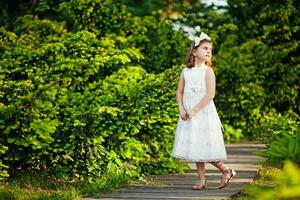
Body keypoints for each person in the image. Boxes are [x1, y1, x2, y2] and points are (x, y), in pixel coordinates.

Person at [172, 32, 236, 190]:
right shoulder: (185, 72)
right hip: (188, 113)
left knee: (206, 147)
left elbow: (210, 94)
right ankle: (202, 180)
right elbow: (179, 92)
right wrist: (182, 108)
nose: (209, 51)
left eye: (210, 49)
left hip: (203, 113)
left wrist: (194, 110)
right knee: (196, 146)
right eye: (205, 48)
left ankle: (226, 170)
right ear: (194, 51)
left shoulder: (208, 71)